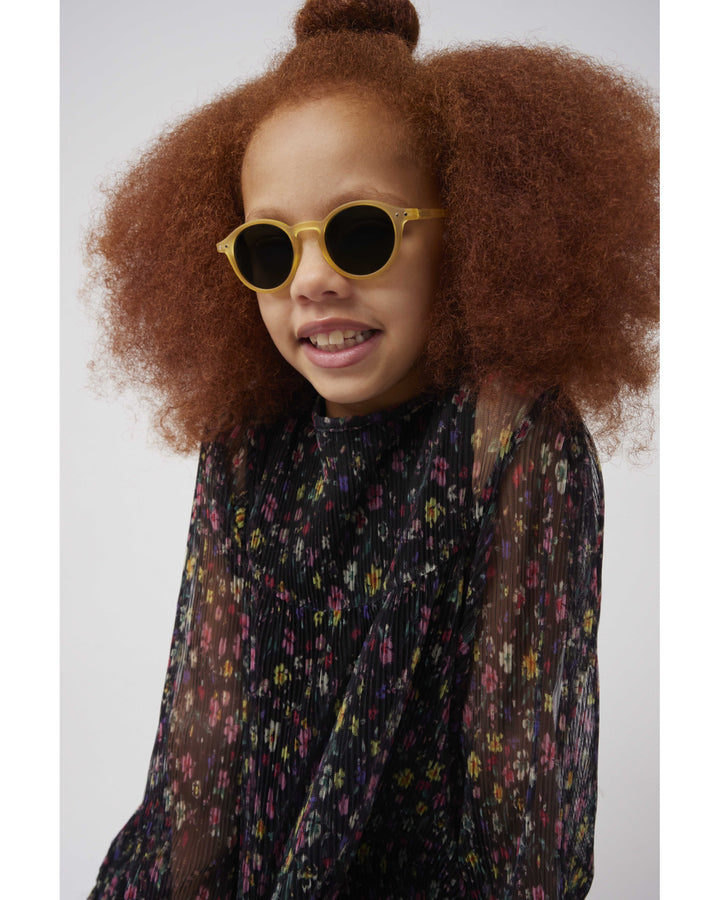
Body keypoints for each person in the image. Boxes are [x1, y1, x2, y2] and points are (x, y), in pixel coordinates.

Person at [86, 0, 658, 896]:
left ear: (471, 231)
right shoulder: (247, 447)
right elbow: (196, 784)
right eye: (270, 250)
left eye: (363, 233)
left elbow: (523, 822)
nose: (313, 280)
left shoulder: (510, 441)